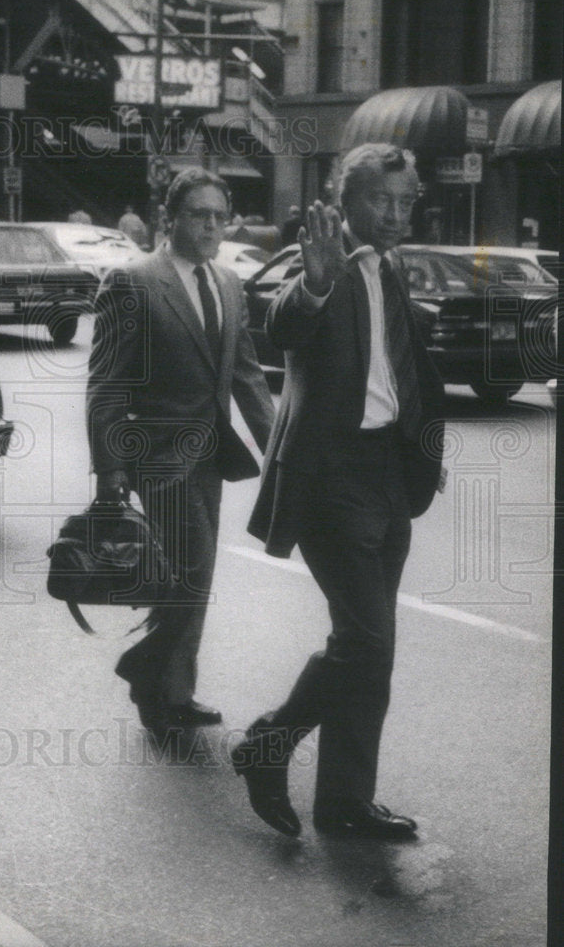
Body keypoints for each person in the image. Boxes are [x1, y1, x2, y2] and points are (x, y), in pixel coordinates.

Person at [235, 143, 445, 840]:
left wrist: (420, 449)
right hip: (332, 476)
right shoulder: (319, 259)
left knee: (370, 646)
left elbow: (400, 368)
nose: (394, 213)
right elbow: (285, 327)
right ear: (343, 200)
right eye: (381, 200)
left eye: (406, 200)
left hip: (388, 471)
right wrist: (317, 283)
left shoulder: (393, 267)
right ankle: (268, 744)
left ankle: (345, 801)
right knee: (365, 638)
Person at [87, 168, 274, 734]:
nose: (212, 225)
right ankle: (147, 680)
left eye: (220, 215)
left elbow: (247, 378)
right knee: (186, 575)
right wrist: (110, 471)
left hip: (210, 457)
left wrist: (281, 450)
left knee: (195, 577)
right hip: (157, 457)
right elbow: (106, 385)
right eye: (200, 214)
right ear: (171, 218)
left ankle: (174, 689)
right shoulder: (134, 282)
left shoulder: (229, 284)